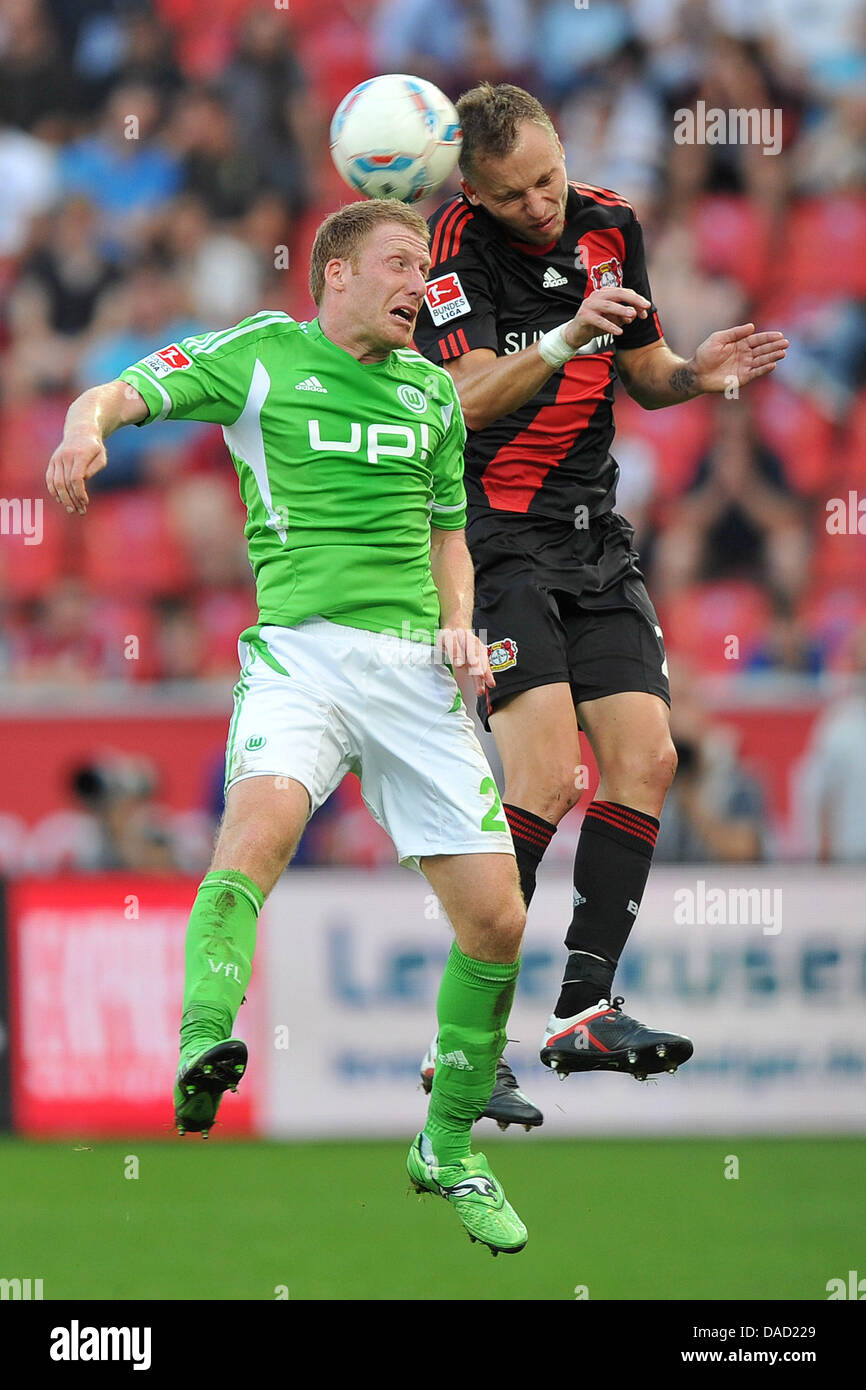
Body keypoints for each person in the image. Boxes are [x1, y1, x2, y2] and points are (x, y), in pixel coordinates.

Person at [45, 199, 529, 1257]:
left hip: (415, 672)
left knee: (496, 921)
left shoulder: (431, 399)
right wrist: (85, 432)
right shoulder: (262, 355)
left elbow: (450, 538)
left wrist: (459, 624)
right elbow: (119, 389)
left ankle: (446, 1145)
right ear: (338, 273)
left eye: (426, 268)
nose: (421, 284)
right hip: (301, 656)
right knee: (252, 839)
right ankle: (202, 1046)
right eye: (401, 264)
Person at [412, 83, 788, 1117]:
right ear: (473, 195)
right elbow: (463, 395)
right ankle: (464, 1043)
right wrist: (566, 336)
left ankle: (583, 1009)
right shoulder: (454, 247)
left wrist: (693, 375)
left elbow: (646, 370)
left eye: (546, 178)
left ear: (561, 149)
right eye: (512, 194)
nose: (538, 203)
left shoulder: (609, 223)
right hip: (491, 541)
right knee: (542, 777)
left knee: (648, 757)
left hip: (594, 535)